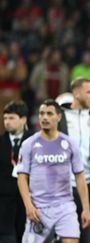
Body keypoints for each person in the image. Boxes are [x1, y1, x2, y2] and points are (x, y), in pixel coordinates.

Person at [16, 99, 90, 243]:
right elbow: (22, 178)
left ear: (59, 117)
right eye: (41, 114)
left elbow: (80, 176)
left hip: (65, 207)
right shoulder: (28, 144)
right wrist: (28, 206)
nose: (44, 117)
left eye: (49, 113)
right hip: (38, 208)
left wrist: (86, 208)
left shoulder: (70, 143)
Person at [57, 77, 90, 243]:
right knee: (66, 236)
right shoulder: (59, 118)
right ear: (76, 93)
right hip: (63, 186)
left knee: (88, 237)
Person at [0, 100, 32, 243]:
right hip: (4, 203)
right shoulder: (0, 142)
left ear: (23, 119)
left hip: (28, 202)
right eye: (5, 118)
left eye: (11, 118)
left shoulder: (34, 142)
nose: (7, 122)